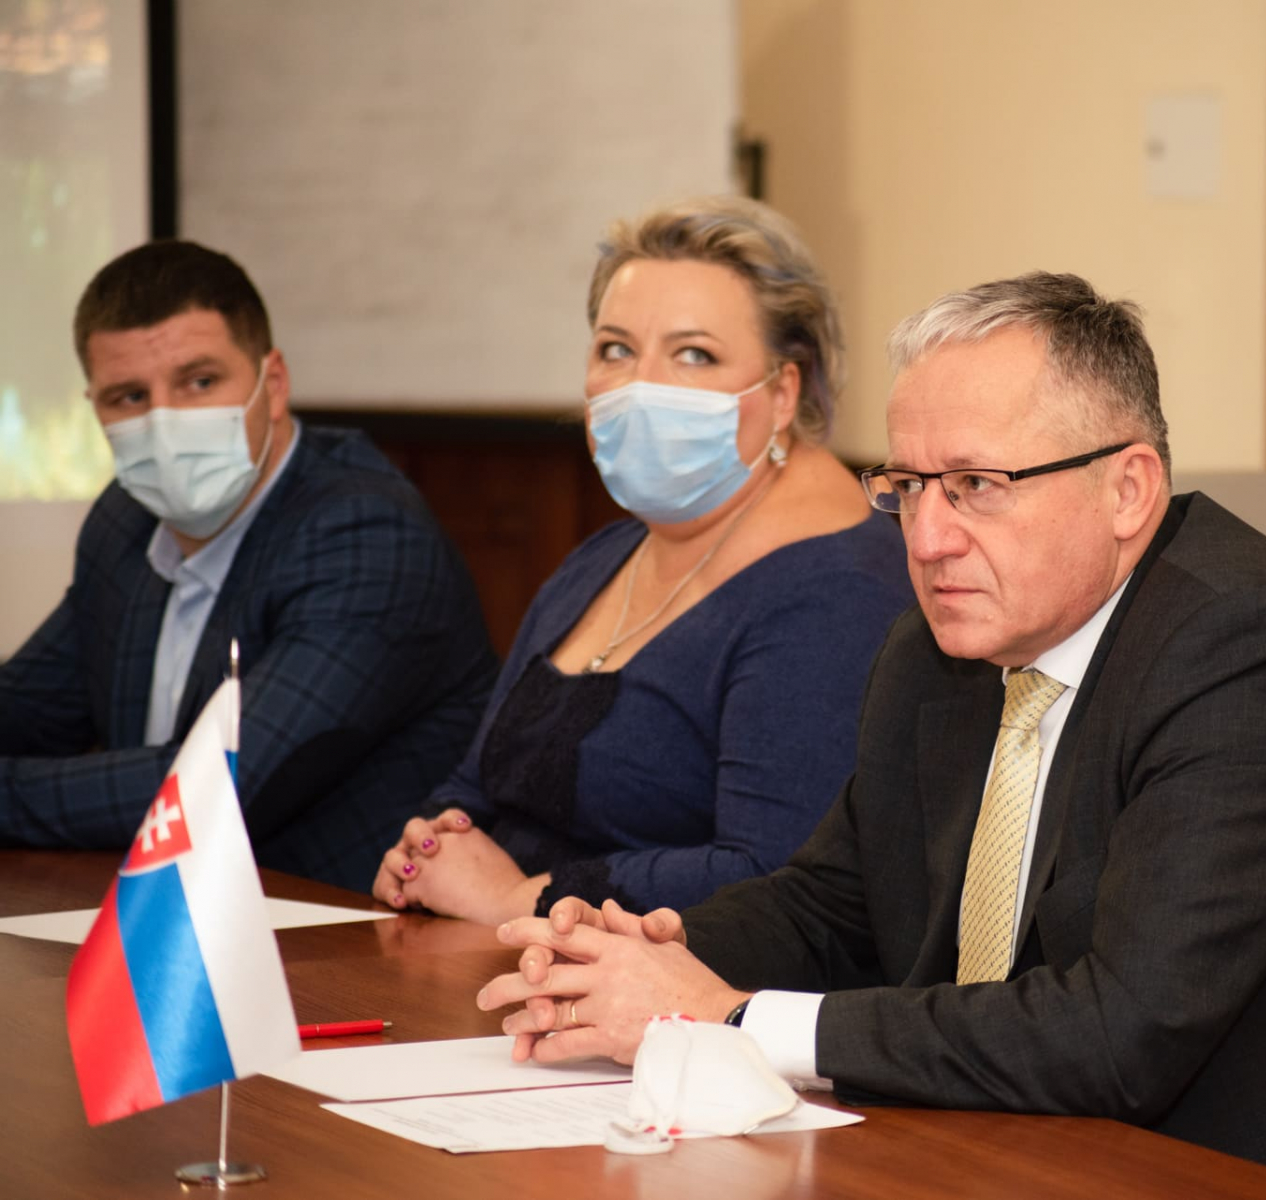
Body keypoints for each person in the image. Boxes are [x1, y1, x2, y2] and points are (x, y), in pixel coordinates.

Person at [474, 272, 1266, 1199]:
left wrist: (730, 1018)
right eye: (907, 487)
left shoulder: (1251, 654)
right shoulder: (941, 645)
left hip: (1251, 1169)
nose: (927, 539)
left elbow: (1119, 1033)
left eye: (976, 486)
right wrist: (634, 960)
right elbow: (835, 904)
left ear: (1128, 490)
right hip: (1012, 1144)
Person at [372, 198, 913, 927]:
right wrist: (432, 849)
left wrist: (518, 899)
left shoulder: (839, 590)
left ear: (783, 391)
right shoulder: (610, 552)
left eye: (694, 355)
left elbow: (774, 874)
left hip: (680, 986)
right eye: (615, 349)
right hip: (496, 957)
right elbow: (480, 779)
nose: (640, 384)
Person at [0, 240, 497, 890]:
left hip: (350, 928)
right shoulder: (126, 519)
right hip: (175, 909)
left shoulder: (368, 534)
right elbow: (31, 707)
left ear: (274, 383)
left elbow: (217, 785)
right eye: (129, 396)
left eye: (200, 382)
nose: (164, 423)